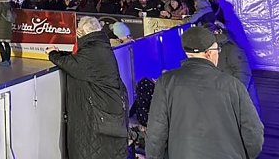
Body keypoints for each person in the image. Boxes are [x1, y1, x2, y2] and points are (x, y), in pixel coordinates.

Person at [145, 26, 263, 159]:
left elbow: (156, 133)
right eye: (217, 50)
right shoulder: (233, 85)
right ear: (209, 53)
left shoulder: (166, 82)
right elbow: (253, 133)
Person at [47, 16, 128, 159]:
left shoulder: (92, 50)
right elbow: (79, 60)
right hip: (107, 110)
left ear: (82, 33)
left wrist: (53, 54)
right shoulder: (99, 46)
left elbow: (71, 64)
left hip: (100, 115)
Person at [205, 22, 261, 115]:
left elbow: (243, 72)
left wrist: (234, 93)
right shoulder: (210, 49)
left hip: (238, 92)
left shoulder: (230, 47)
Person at [0, 0, 15, 67]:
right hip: (8, 25)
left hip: (1, 25)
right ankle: (8, 59)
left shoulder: (0, 3)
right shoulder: (8, 3)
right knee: (6, 43)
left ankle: (4, 60)